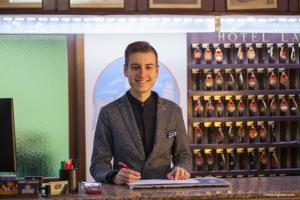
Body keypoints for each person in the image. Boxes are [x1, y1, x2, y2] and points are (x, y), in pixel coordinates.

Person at [90, 41, 192, 185]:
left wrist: (181, 168)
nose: (142, 74)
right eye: (136, 67)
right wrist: (114, 176)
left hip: (165, 193)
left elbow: (183, 156)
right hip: (125, 194)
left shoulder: (173, 111)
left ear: (157, 71)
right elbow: (98, 163)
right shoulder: (109, 113)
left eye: (148, 67)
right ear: (126, 70)